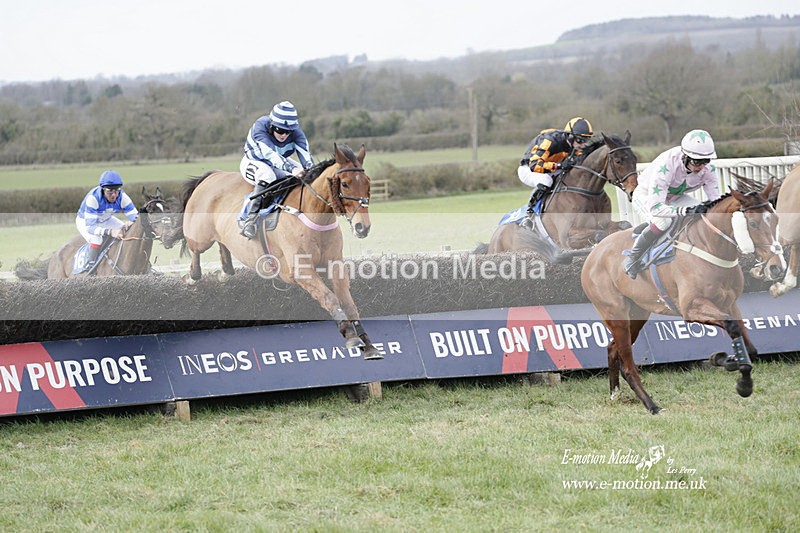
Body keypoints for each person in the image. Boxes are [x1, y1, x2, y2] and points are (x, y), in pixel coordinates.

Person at [622, 129, 722, 279]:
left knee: (704, 215)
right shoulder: (667, 164)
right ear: (685, 157)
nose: (701, 167)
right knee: (663, 221)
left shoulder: (708, 169)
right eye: (696, 162)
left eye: (705, 161)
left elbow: (716, 203)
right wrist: (686, 211)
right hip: (646, 195)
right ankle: (633, 257)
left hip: (675, 197)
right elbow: (656, 208)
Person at [239, 100, 315, 239]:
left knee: (300, 174)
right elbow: (270, 155)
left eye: (288, 132)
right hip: (255, 160)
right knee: (268, 175)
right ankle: (249, 220)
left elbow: (306, 155)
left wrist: (313, 172)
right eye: (280, 130)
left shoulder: (297, 133)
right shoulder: (260, 126)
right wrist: (292, 169)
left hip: (279, 162)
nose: (284, 135)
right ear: (272, 125)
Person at [517, 117, 594, 219]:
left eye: (586, 141)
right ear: (569, 136)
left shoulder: (574, 145)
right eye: (580, 140)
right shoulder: (549, 140)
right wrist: (558, 165)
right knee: (546, 180)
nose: (582, 145)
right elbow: (534, 165)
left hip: (549, 169)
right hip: (528, 169)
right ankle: (530, 212)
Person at [75, 170, 139, 273]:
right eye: (109, 192)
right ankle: (91, 268)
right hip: (85, 222)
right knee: (96, 239)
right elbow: (90, 228)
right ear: (103, 190)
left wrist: (131, 223)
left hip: (106, 219)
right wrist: (110, 232)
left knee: (126, 232)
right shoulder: (93, 198)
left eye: (116, 191)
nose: (114, 195)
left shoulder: (123, 197)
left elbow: (136, 218)